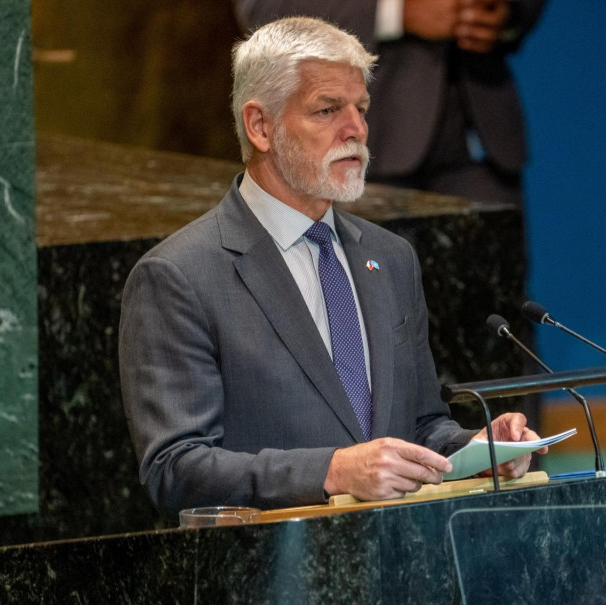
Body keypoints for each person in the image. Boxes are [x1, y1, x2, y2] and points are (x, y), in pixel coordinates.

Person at [118, 16, 543, 517]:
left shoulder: (391, 257)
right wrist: (331, 471)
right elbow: (175, 468)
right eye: (327, 110)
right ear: (260, 126)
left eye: (360, 109)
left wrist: (477, 449)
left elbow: (421, 426)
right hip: (272, 576)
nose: (357, 130)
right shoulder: (178, 276)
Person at [232, 0, 548, 207]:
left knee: (492, 304)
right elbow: (264, 8)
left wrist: (508, 13)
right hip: (357, 145)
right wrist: (397, 11)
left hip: (482, 143)